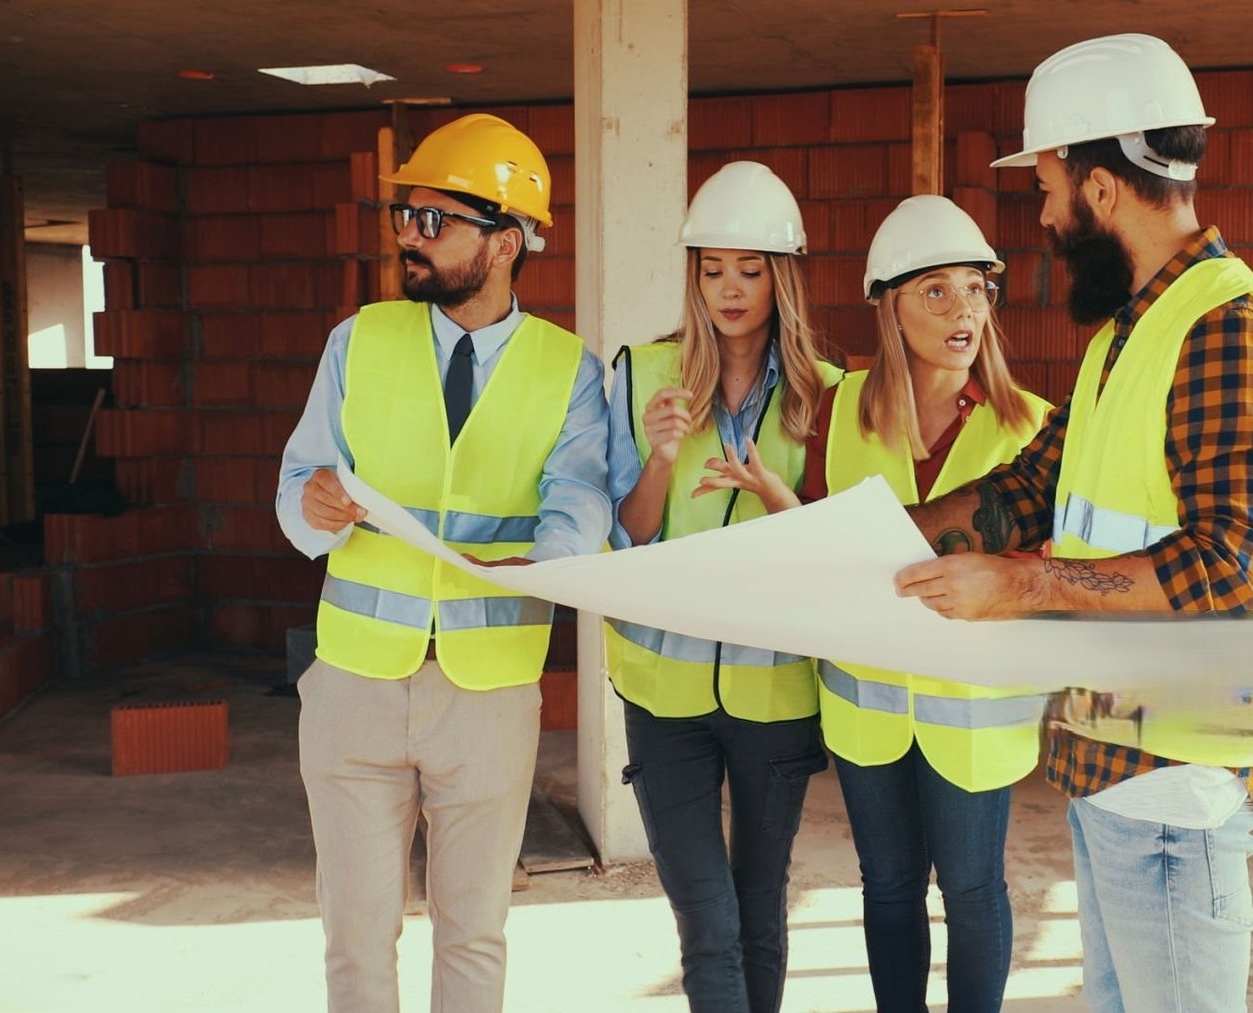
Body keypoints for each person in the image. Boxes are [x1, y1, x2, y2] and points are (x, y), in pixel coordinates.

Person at [890, 34, 1253, 1013]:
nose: (1042, 216)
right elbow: (1025, 489)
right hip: (1117, 760)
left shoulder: (1231, 331)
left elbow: (1226, 567)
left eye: (1047, 187)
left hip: (1181, 777)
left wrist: (1025, 584)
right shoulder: (1130, 334)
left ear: (1098, 189)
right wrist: (866, 543)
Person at [275, 113, 613, 1013]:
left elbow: (579, 506)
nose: (409, 240)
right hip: (353, 683)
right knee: (354, 932)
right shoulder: (360, 340)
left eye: (434, 222)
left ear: (506, 243)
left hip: (487, 691)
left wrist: (543, 560)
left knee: (472, 930)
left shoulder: (569, 371)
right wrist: (310, 504)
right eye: (403, 219)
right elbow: (299, 475)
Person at [794, 195, 1052, 1013]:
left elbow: (1044, 580)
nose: (963, 309)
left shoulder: (1033, 429)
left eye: (976, 288)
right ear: (888, 305)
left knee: (974, 891)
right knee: (889, 888)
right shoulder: (840, 413)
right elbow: (814, 549)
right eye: (935, 290)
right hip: (867, 711)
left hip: (974, 716)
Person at [604, 160, 840, 1013]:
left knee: (756, 911)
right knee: (706, 918)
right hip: (662, 696)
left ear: (782, 277)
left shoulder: (829, 396)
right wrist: (664, 456)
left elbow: (831, 557)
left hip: (774, 693)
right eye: (712, 269)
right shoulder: (642, 373)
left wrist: (773, 495)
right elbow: (629, 531)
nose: (730, 290)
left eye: (750, 270)